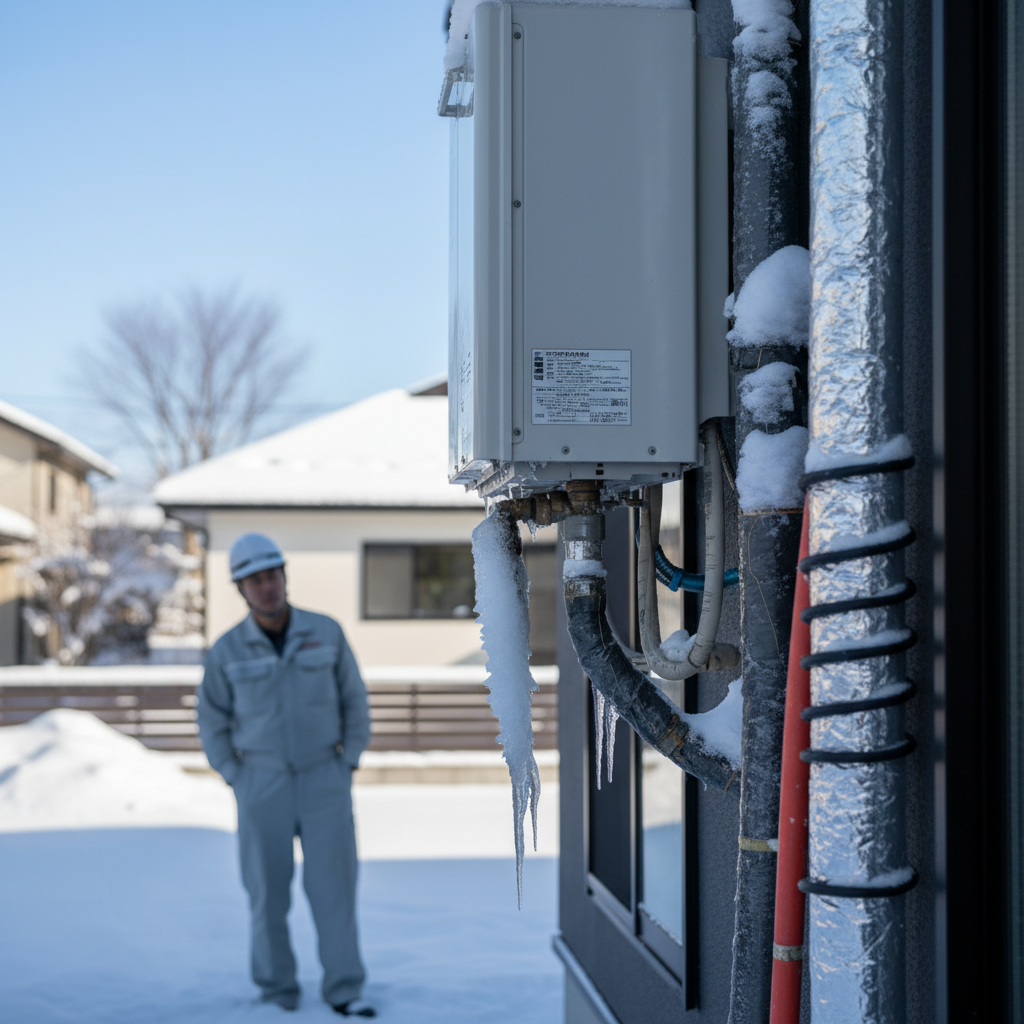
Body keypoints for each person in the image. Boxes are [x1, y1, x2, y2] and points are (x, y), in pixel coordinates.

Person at [197, 532, 375, 1017]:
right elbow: (211, 720)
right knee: (266, 895)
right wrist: (236, 774)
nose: (267, 587)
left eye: (272, 575)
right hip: (261, 784)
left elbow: (354, 701)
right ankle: (277, 993)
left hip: (324, 779)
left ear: (284, 576)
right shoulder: (227, 651)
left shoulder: (327, 632)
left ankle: (345, 989)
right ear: (241, 588)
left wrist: (349, 759)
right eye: (255, 580)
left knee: (335, 891)